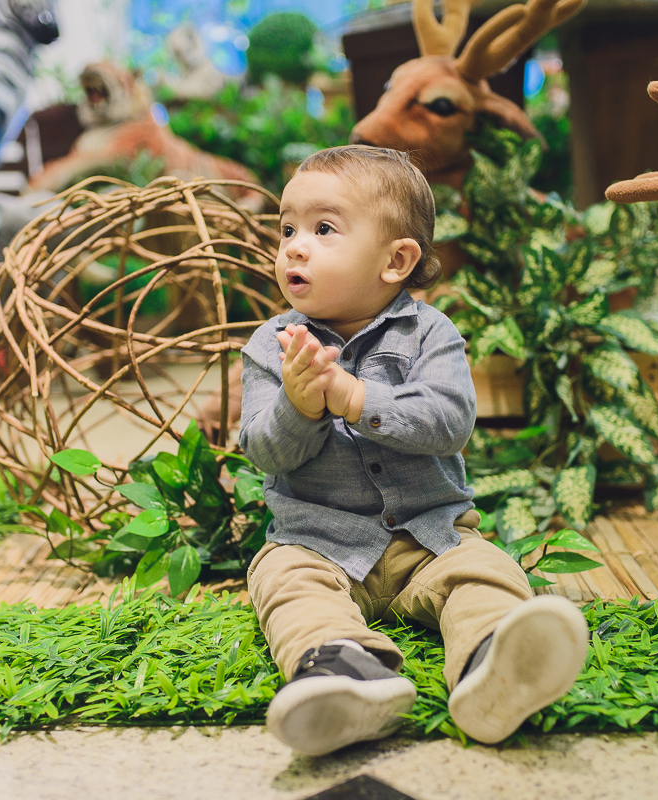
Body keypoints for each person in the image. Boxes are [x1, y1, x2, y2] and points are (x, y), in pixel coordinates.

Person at [239, 145, 589, 756]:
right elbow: (264, 452)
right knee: (282, 580)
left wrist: (356, 398)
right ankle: (343, 671)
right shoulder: (272, 346)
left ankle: (493, 661)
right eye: (287, 229)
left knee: (484, 571)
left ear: (396, 260)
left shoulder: (431, 333)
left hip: (428, 538)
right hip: (316, 541)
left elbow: (449, 423)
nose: (295, 247)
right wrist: (299, 406)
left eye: (324, 229)